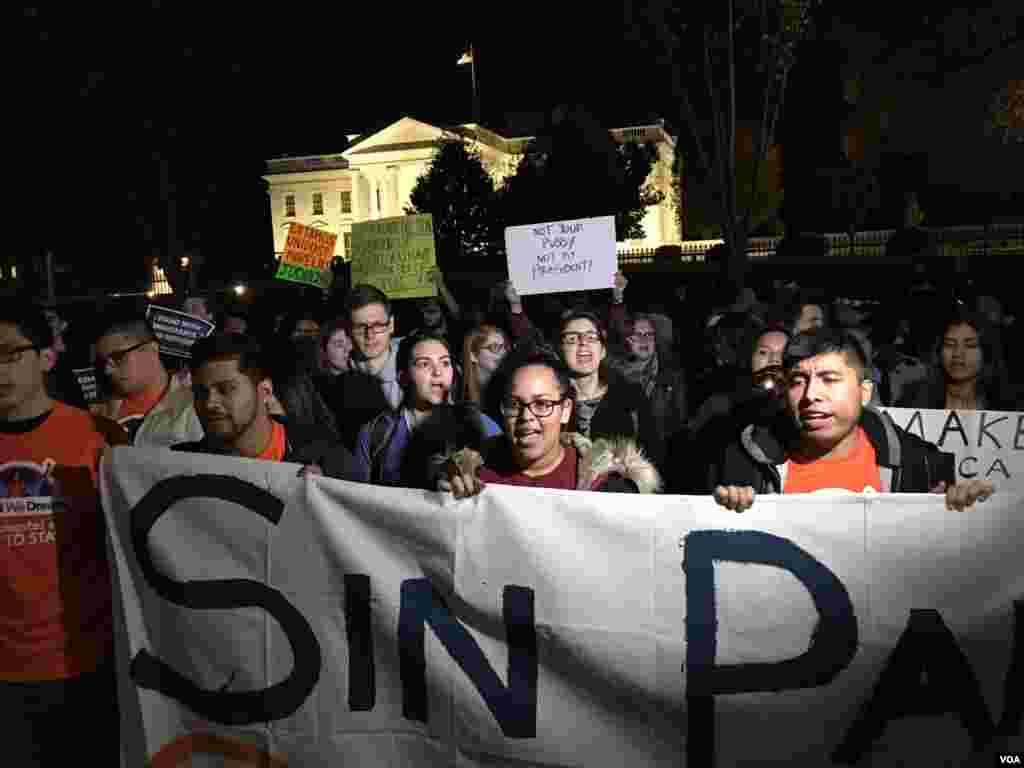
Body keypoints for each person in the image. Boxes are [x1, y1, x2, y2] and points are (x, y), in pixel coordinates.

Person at [0, 302, 125, 765]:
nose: (1, 370)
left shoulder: (95, 435)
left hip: (87, 664)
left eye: (11, 354)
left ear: (45, 356)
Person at [711, 329, 994, 512]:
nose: (811, 395)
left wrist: (967, 510)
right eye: (798, 381)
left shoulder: (922, 466)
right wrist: (726, 512)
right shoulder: (744, 464)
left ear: (865, 392)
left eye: (829, 379)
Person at [444, 347, 661, 497]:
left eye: (542, 404)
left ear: (565, 411)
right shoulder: (472, 475)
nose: (526, 417)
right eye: (515, 404)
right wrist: (446, 482)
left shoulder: (607, 486)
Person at [172, 334, 354, 478]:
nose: (210, 403)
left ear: (265, 391)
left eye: (226, 389)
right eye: (200, 392)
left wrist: (327, 498)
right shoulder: (176, 465)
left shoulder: (330, 462)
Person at [353, 332, 500, 486]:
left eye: (445, 363)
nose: (438, 372)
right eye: (424, 364)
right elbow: (359, 499)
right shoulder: (375, 433)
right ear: (403, 377)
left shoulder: (480, 423)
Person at [557, 309, 663, 469]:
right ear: (560, 350)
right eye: (572, 339)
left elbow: (652, 457)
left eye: (591, 337)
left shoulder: (631, 396)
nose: (583, 343)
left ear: (603, 350)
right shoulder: (550, 401)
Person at [91, 311, 203, 447]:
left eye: (118, 357)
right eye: (103, 362)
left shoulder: (195, 409)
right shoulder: (97, 413)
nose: (108, 370)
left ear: (152, 349)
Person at [896, 307, 1018, 411]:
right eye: (950, 344)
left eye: (970, 345)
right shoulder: (912, 399)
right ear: (939, 352)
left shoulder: (1008, 407)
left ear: (986, 353)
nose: (958, 354)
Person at [614, 313, 687, 464]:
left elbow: (679, 423)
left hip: (659, 460)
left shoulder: (672, 376)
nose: (644, 340)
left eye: (649, 334)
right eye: (637, 334)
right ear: (626, 339)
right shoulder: (613, 375)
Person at [462, 322, 511, 411]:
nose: (503, 353)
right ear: (473, 355)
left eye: (504, 347)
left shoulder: (504, 386)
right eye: (494, 347)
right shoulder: (461, 394)